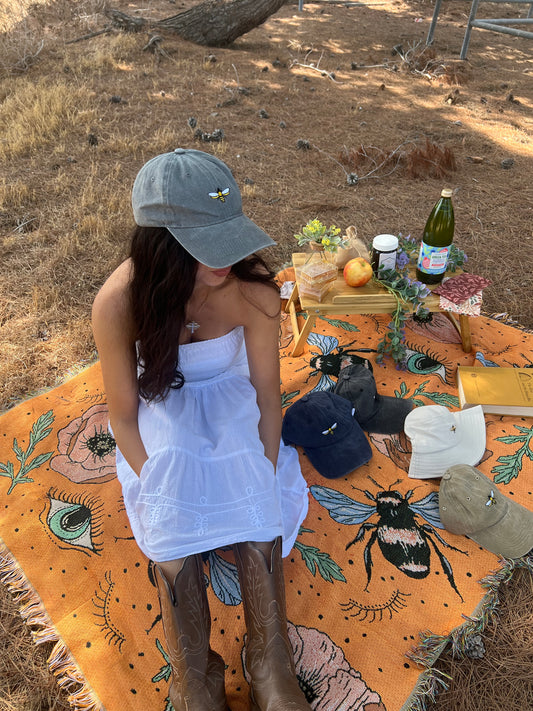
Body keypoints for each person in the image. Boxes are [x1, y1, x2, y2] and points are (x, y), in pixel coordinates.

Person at [92, 148, 310, 711]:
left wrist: (261, 469)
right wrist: (160, 484)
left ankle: (269, 657)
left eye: (230, 237)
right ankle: (195, 674)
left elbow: (265, 396)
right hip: (161, 411)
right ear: (160, 244)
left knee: (256, 495)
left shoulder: (253, 293)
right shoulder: (118, 305)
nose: (227, 259)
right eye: (207, 244)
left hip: (233, 407)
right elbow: (123, 417)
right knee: (172, 499)